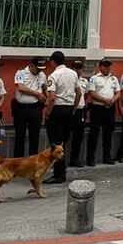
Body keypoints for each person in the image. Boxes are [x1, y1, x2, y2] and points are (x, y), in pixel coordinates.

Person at [43, 51, 81, 185]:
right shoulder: (73, 73)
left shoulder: (53, 75)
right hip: (69, 109)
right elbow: (79, 93)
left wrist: (47, 113)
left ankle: (58, 174)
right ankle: (61, 171)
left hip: (57, 110)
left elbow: (52, 97)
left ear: (53, 62)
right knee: (63, 142)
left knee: (56, 143)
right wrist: (74, 108)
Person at [85, 59, 120, 166]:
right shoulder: (94, 78)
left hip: (109, 109)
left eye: (108, 66)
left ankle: (107, 157)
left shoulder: (114, 79)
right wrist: (105, 101)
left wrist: (112, 101)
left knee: (108, 134)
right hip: (97, 109)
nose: (107, 68)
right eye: (105, 65)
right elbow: (92, 93)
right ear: (100, 67)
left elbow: (118, 92)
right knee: (93, 134)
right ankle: (90, 158)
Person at [12, 56, 47, 158]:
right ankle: (19, 162)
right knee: (20, 136)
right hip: (21, 109)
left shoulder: (42, 75)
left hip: (35, 108)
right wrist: (37, 93)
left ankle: (33, 161)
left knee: (35, 136)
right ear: (31, 66)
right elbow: (21, 87)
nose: (39, 71)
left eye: (41, 69)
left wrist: (47, 97)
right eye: (38, 68)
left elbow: (44, 87)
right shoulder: (21, 73)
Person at [69, 60, 89, 166]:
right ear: (72, 69)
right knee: (65, 136)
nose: (78, 70)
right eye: (76, 68)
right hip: (69, 109)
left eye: (80, 68)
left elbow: (85, 95)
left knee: (78, 136)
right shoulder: (68, 80)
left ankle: (75, 159)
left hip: (80, 110)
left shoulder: (85, 81)